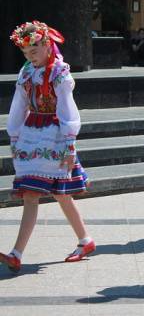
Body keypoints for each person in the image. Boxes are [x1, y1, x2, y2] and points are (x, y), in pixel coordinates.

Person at [1, 21, 94, 273]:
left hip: (54, 135)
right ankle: (85, 241)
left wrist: (69, 144)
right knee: (47, 194)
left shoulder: (59, 73)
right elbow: (18, 104)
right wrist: (15, 135)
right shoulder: (27, 73)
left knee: (54, 194)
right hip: (33, 134)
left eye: (34, 51)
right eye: (26, 53)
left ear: (46, 45)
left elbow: (67, 108)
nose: (30, 57)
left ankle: (17, 253)